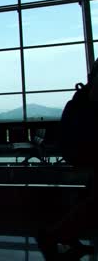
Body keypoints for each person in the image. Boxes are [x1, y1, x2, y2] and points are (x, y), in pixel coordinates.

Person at [36, 60, 98, 260]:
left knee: (92, 192)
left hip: (81, 144)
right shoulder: (94, 90)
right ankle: (55, 235)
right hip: (88, 144)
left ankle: (64, 234)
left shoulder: (85, 94)